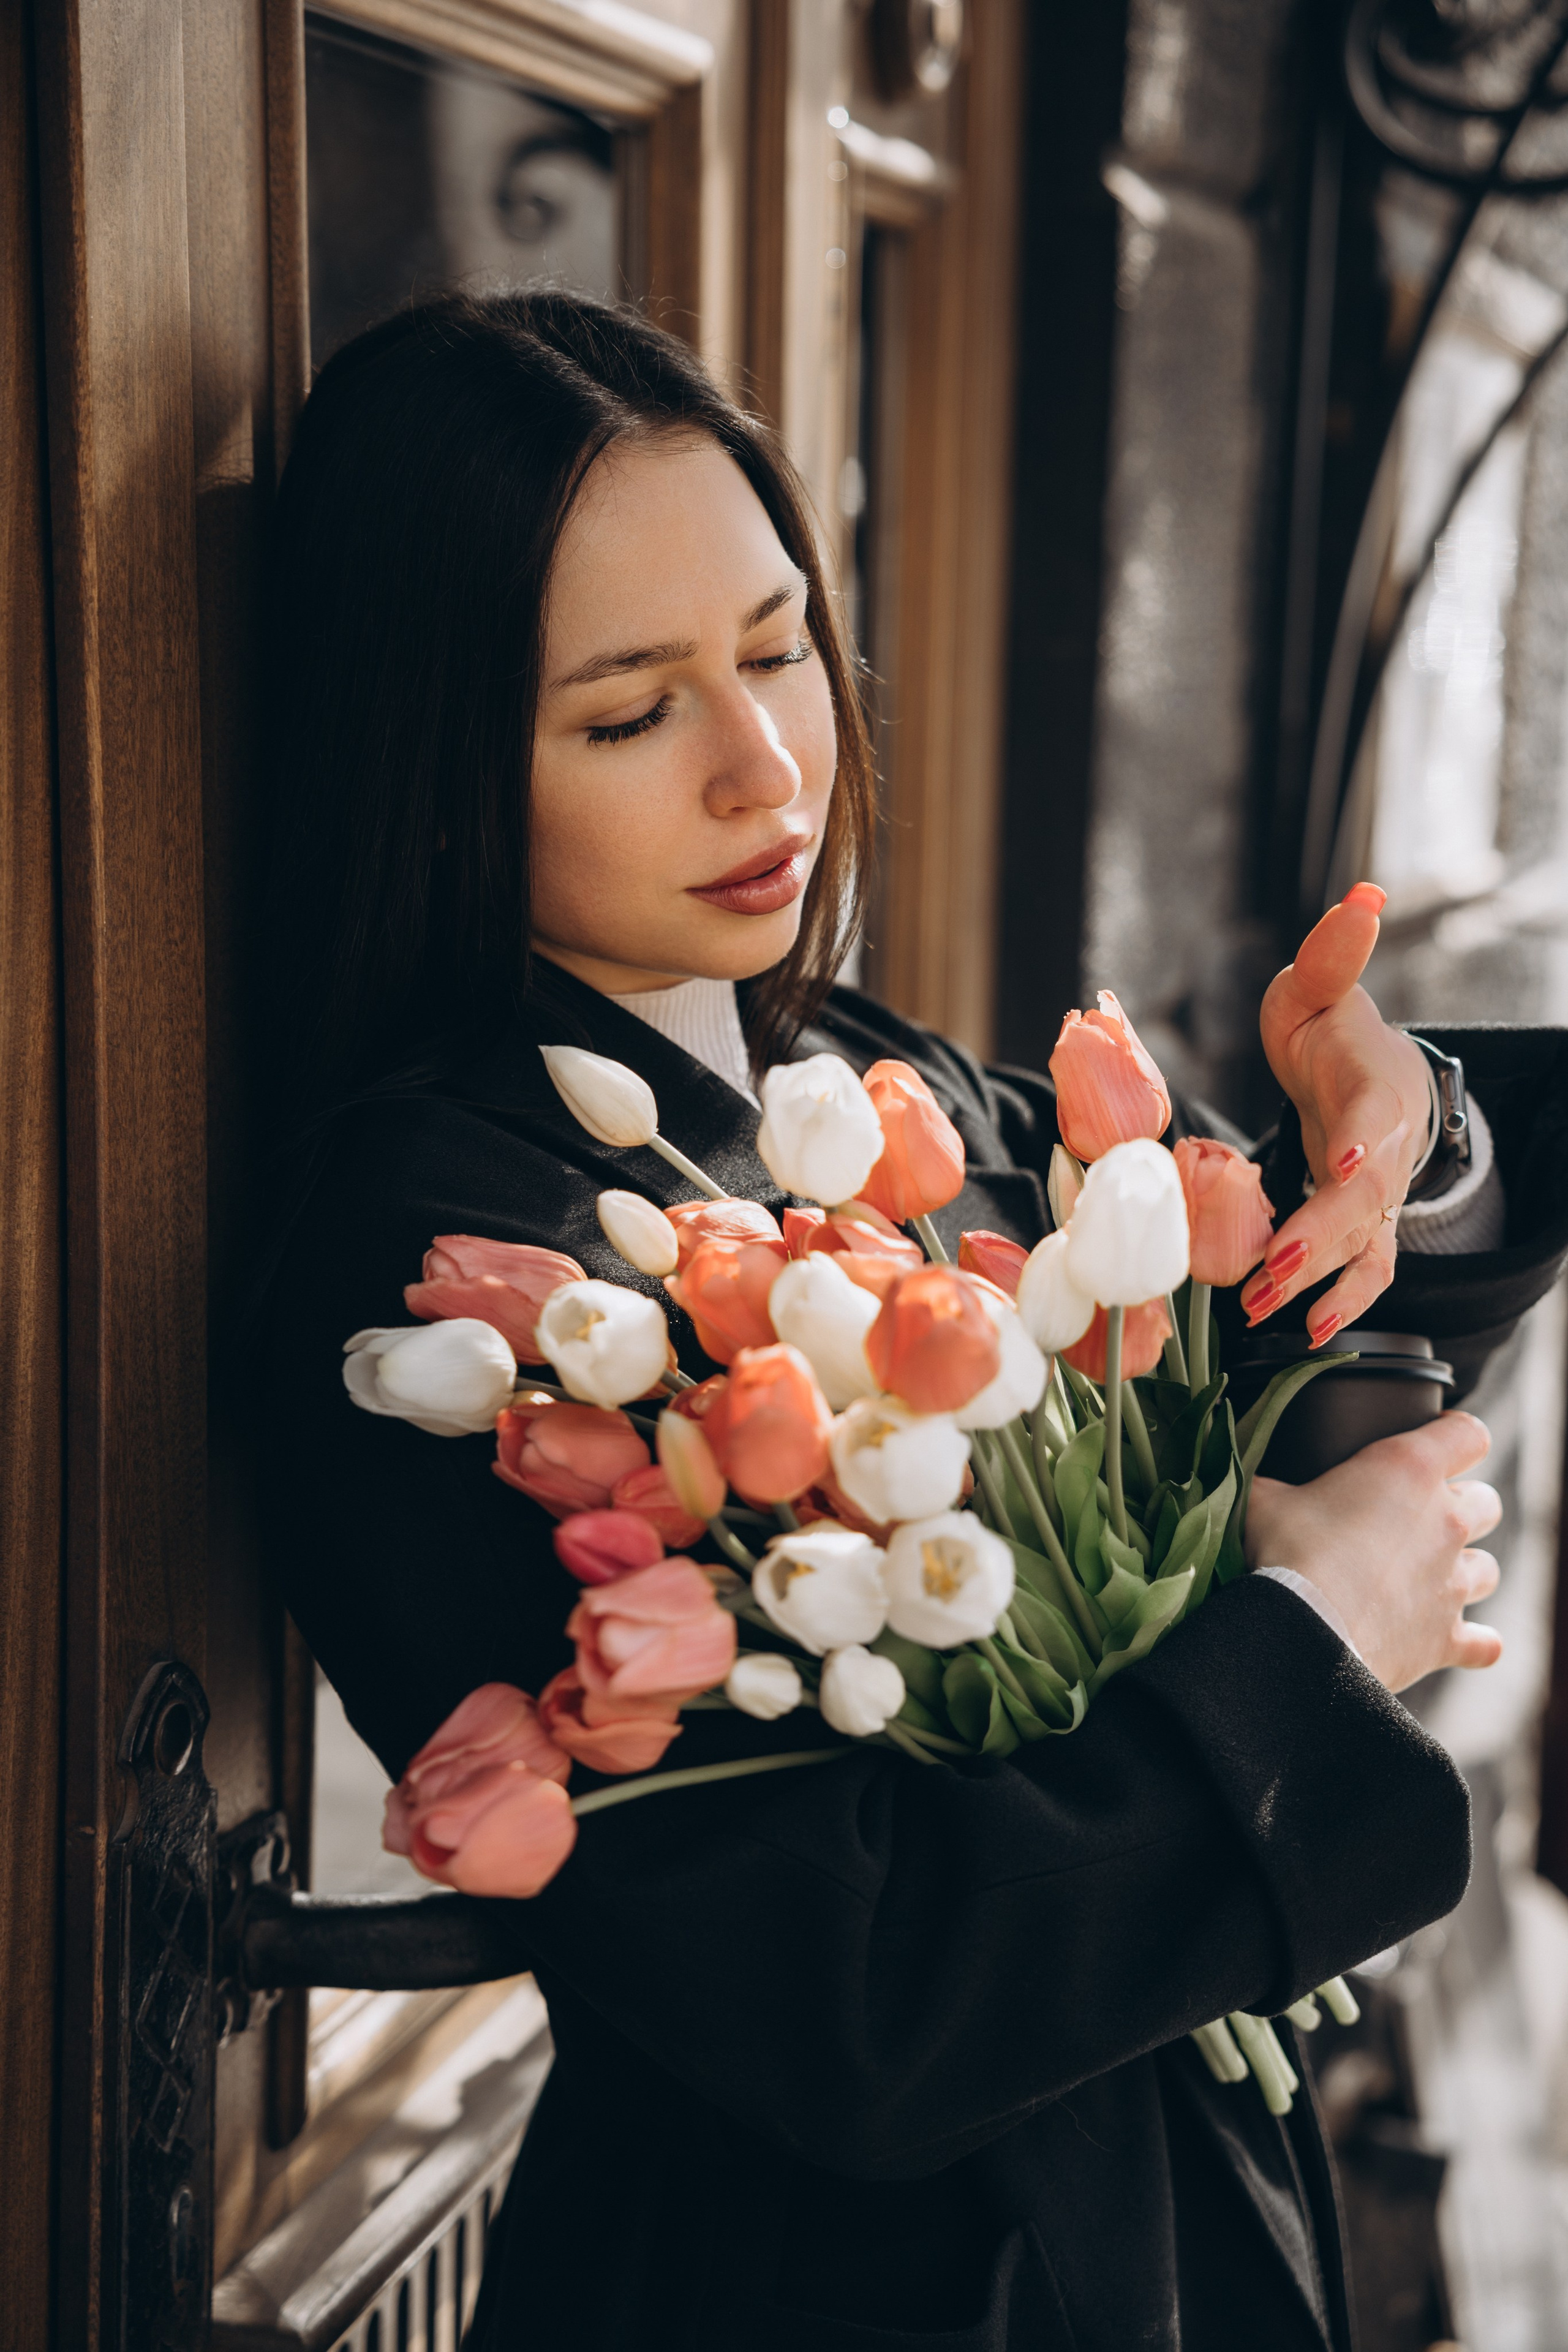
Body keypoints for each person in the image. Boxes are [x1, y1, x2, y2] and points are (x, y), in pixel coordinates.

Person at [255, 291, 1568, 2352]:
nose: (765, 763)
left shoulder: (867, 1081)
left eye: (778, 646)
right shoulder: (437, 1256)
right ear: (426, 752)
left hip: (1132, 2207)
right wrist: (1305, 1639)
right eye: (629, 713)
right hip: (820, 2284)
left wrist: (1395, 1137)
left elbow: (1259, 1305)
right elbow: (842, 1987)